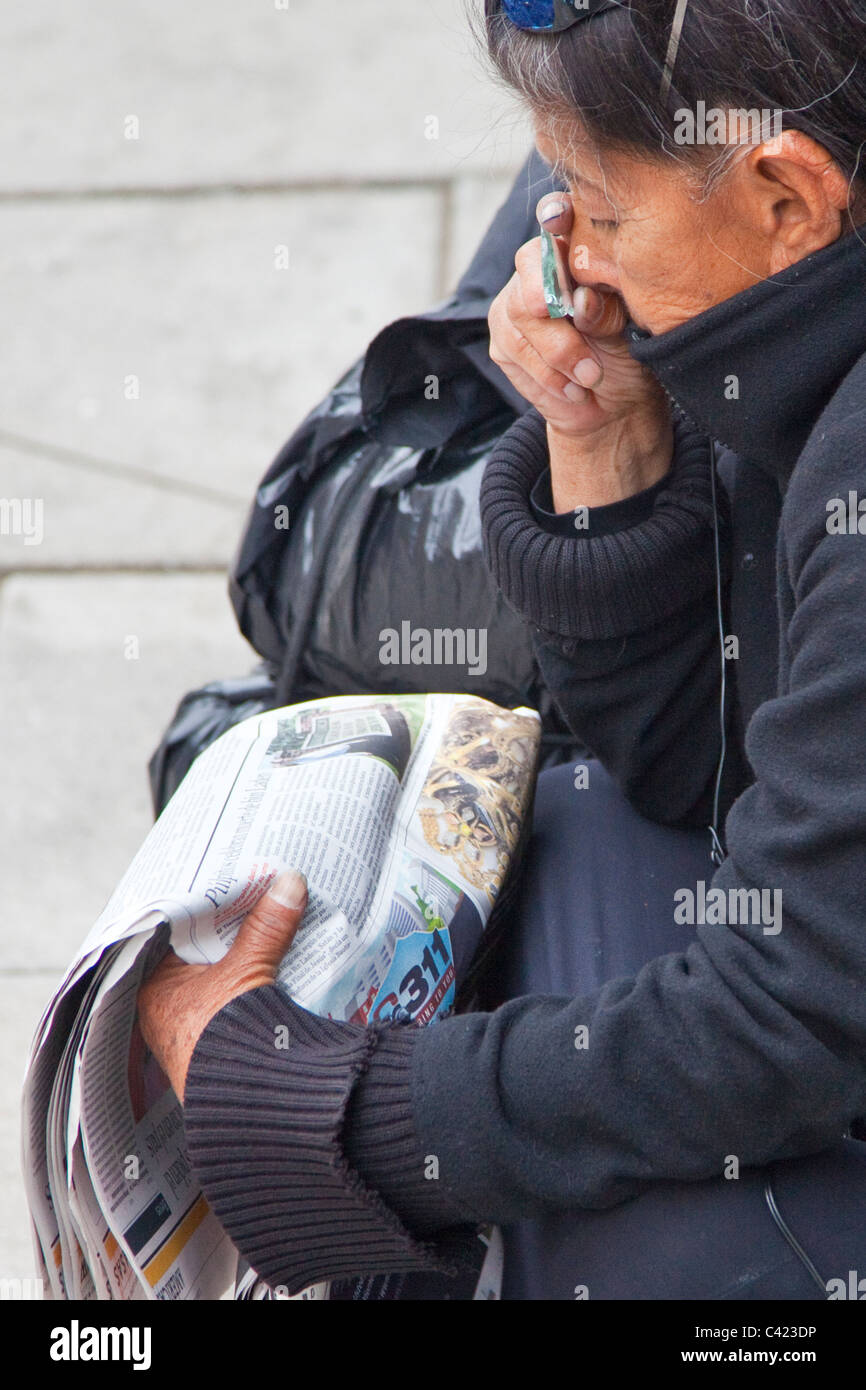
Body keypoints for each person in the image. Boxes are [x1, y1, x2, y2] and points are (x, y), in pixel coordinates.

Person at [138, 0, 866, 1299]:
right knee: (555, 830)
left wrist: (314, 1105)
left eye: (600, 207)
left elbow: (792, 1013)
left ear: (785, 195)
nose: (570, 267)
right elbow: (707, 765)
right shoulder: (786, 316)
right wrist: (610, 463)